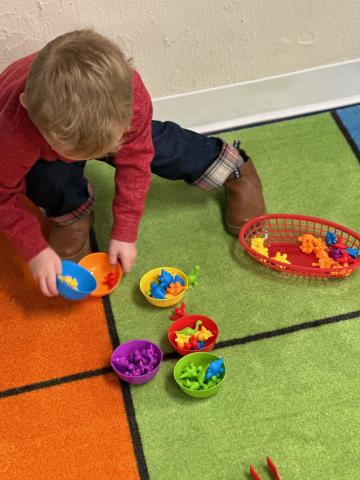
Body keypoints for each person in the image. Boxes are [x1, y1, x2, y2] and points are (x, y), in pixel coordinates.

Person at [0, 29, 266, 297]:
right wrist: (34, 249)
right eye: (71, 153)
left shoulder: (129, 97)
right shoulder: (12, 130)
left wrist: (125, 231)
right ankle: (73, 214)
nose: (83, 160)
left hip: (110, 128)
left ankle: (234, 168)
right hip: (32, 138)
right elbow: (3, 196)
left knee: (162, 146)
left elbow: (135, 165)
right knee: (46, 176)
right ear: (27, 107)